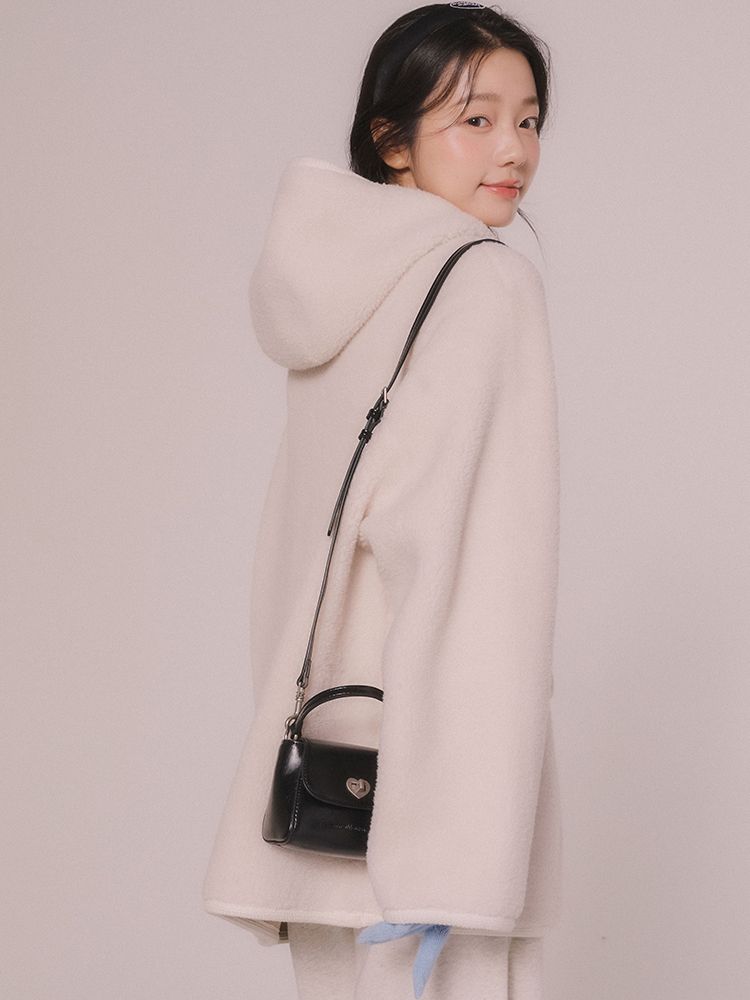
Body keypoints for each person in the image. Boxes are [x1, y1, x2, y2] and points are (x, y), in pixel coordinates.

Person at [202, 4, 562, 998]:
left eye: (528, 120)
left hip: (331, 770)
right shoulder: (486, 285)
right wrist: (466, 846)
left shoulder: (333, 287)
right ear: (391, 140)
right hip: (439, 796)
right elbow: (481, 580)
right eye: (476, 119)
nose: (514, 149)